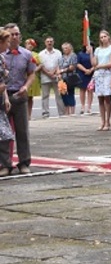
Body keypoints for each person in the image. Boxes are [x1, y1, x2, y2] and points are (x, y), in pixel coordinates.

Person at [1, 24, 37, 175]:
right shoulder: (2, 54)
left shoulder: (27, 54)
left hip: (20, 95)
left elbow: (32, 73)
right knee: (3, 133)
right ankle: (5, 164)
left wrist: (26, 87)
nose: (15, 37)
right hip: (3, 96)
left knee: (22, 131)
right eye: (12, 35)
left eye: (17, 34)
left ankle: (24, 162)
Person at [92, 30, 111, 131]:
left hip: (107, 73)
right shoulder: (97, 49)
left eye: (104, 36)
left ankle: (108, 120)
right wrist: (91, 53)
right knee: (100, 98)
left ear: (108, 37)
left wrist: (99, 66)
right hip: (98, 74)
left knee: (107, 97)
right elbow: (94, 63)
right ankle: (102, 120)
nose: (103, 39)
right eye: (101, 37)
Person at [38, 36, 64, 119]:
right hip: (45, 76)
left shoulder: (58, 52)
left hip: (56, 76)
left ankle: (61, 113)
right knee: (45, 96)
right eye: (48, 41)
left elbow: (59, 64)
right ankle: (45, 113)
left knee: (59, 95)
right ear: (45, 43)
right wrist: (49, 73)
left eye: (51, 41)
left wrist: (54, 72)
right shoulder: (41, 54)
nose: (49, 43)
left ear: (53, 42)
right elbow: (40, 65)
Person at [58, 42, 79, 116]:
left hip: (70, 77)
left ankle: (72, 111)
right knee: (63, 93)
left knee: (70, 93)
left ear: (70, 48)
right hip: (62, 77)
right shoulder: (62, 57)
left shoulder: (73, 55)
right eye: (63, 48)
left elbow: (72, 67)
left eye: (66, 48)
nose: (65, 50)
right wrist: (59, 73)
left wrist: (63, 70)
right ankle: (66, 111)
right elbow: (59, 66)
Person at [76, 44, 94, 115]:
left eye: (91, 46)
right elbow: (78, 64)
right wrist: (85, 70)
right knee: (82, 89)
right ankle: (82, 106)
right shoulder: (80, 54)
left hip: (91, 74)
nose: (89, 48)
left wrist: (90, 70)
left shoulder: (94, 55)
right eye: (88, 46)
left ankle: (89, 107)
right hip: (82, 73)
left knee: (90, 90)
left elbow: (96, 63)